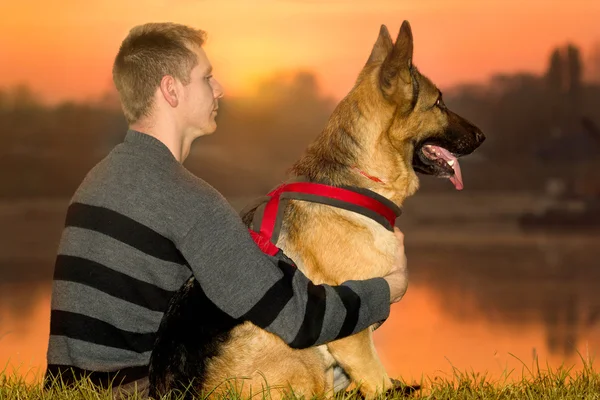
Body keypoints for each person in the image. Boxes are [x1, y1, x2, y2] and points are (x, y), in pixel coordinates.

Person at [43, 22, 410, 397]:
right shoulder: (186, 198)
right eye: (207, 77)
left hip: (65, 390)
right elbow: (297, 317)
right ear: (171, 90)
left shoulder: (97, 179)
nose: (219, 89)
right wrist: (387, 289)